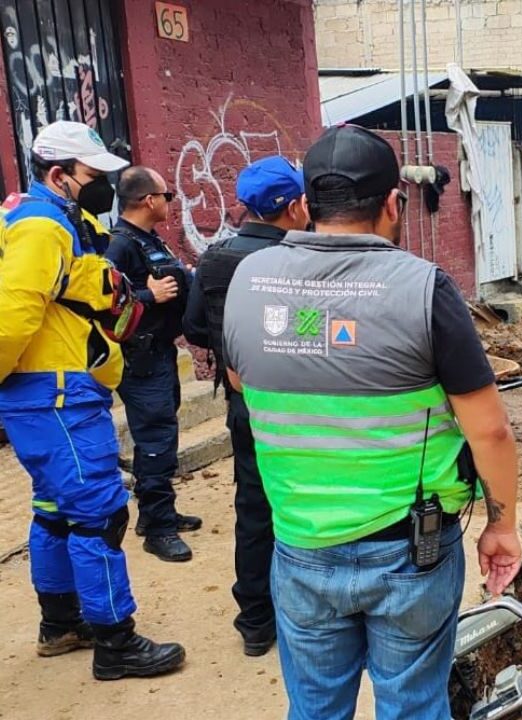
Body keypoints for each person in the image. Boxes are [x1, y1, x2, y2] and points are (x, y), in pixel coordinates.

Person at [221, 125, 522, 719]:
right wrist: (501, 526)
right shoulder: (424, 290)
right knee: (412, 706)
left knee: (314, 710)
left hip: (301, 548)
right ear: (392, 202)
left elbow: (239, 381)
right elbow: (489, 431)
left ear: (307, 205)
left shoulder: (246, 283)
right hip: (410, 553)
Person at [0, 121, 184, 679]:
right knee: (101, 514)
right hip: (56, 395)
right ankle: (115, 642)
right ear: (58, 175)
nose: (103, 185)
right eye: (92, 175)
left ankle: (61, 624)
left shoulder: (55, 221)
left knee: (55, 510)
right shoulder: (41, 229)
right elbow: (12, 313)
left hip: (54, 391)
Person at [182, 156, 308, 656]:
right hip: (304, 405)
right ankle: (310, 613)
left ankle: (256, 620)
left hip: (244, 404)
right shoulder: (304, 258)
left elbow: (193, 329)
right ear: (295, 206)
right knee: (305, 503)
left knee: (254, 507)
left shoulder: (214, 259)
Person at [106, 166, 201, 562]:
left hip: (160, 353)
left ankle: (157, 512)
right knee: (154, 441)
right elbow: (104, 304)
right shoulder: (119, 245)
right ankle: (157, 530)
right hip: (140, 360)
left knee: (163, 434)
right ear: (149, 200)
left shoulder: (145, 239)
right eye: (167, 196)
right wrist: (149, 295)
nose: (169, 203)